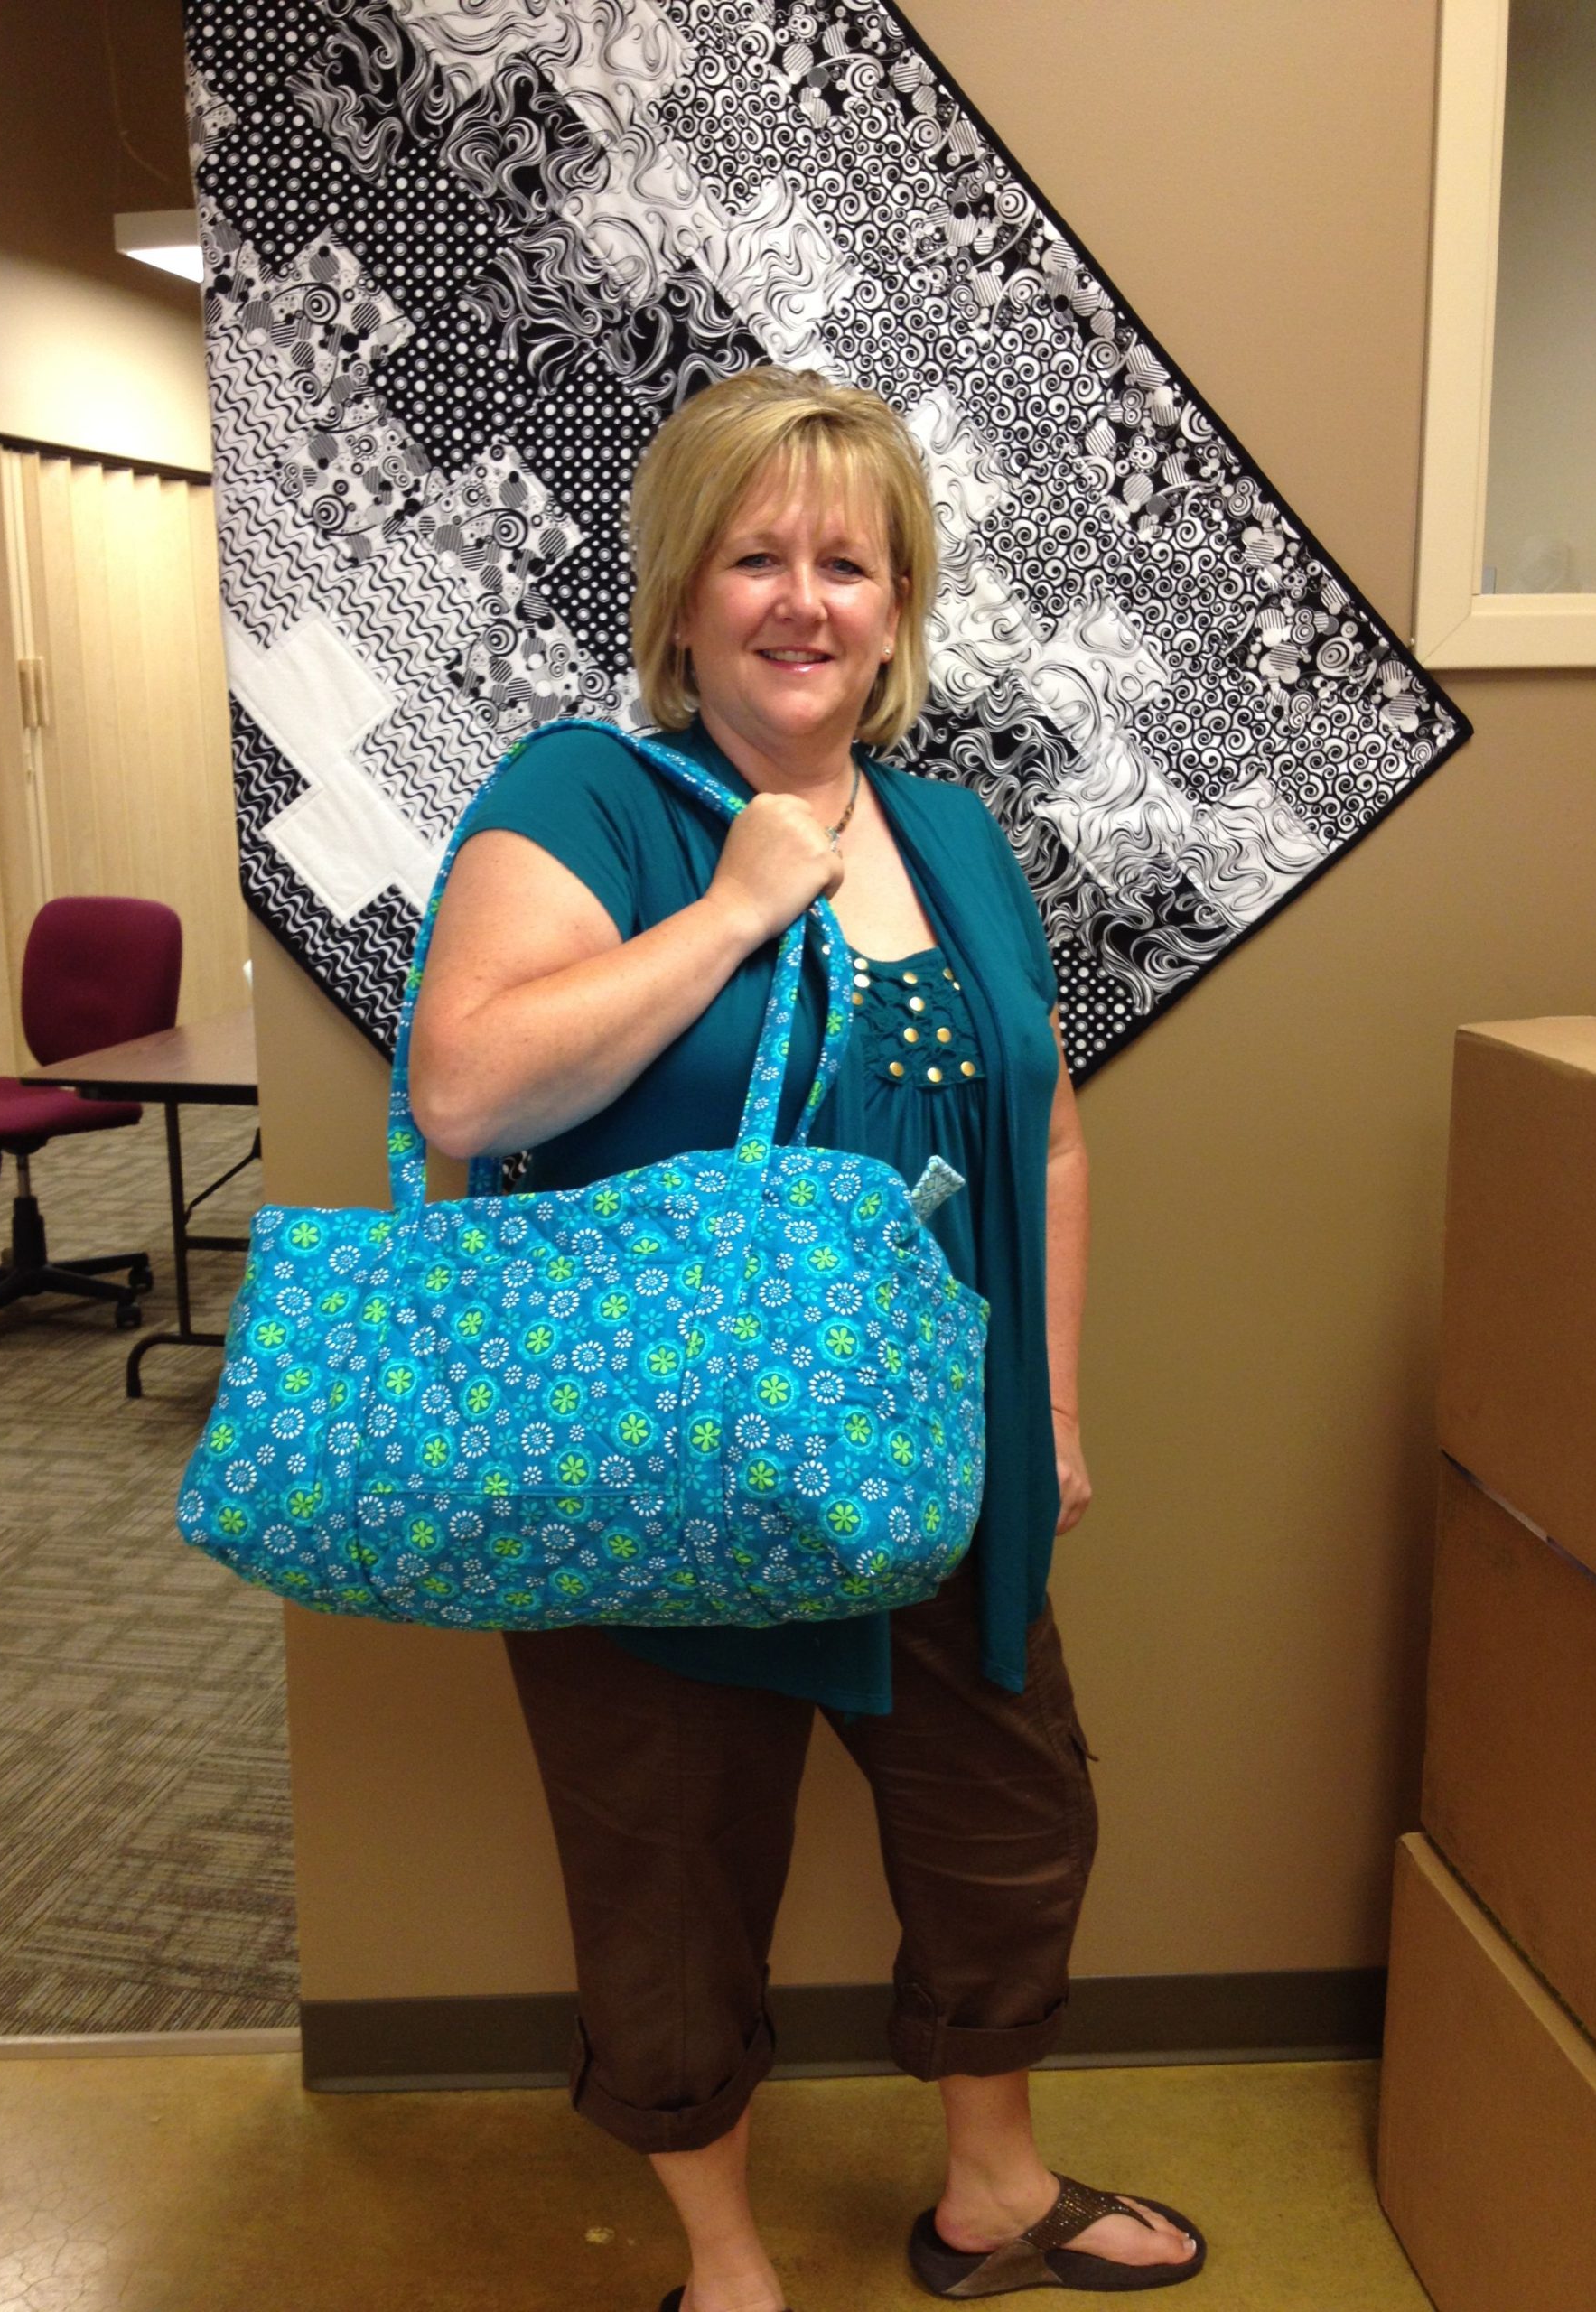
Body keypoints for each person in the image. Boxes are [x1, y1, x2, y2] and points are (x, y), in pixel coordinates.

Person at [410, 368, 1205, 2310]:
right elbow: (465, 1093)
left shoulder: (955, 833)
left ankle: (994, 2191)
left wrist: (1051, 1408)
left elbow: (1049, 1135)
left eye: (848, 563)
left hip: (933, 1452)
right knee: (671, 1863)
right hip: (656, 1464)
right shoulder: (585, 798)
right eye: (755, 556)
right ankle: (729, 2266)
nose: (803, 600)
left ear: (898, 604)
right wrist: (732, 909)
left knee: (1011, 1817)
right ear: (683, 593)